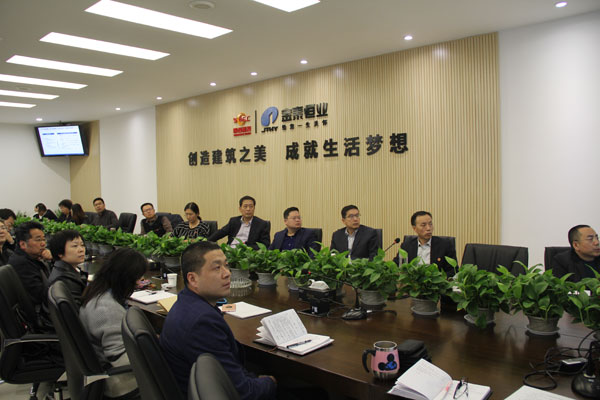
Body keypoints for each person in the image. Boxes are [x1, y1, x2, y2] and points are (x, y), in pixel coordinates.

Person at [160, 241, 277, 399]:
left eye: (226, 265)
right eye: (217, 268)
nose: (227, 273)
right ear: (193, 279)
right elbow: (242, 392)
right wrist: (271, 382)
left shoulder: (186, 302)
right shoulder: (202, 322)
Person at [79, 248, 146, 398]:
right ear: (125, 278)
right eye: (137, 279)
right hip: (120, 382)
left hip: (106, 370)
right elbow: (121, 360)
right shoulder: (106, 309)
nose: (139, 283)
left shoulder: (97, 291)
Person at [8, 220, 53, 327]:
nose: (43, 243)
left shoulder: (30, 258)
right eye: (38, 240)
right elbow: (43, 296)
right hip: (40, 320)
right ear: (23, 244)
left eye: (43, 239)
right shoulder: (22, 264)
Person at [394, 211, 457, 277]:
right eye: (423, 225)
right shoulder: (407, 245)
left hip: (436, 282)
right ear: (414, 228)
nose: (428, 228)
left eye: (430, 224)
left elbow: (453, 271)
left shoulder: (445, 245)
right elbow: (397, 265)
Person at [47, 230, 87, 306]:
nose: (81, 250)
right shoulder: (65, 279)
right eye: (75, 246)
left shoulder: (60, 269)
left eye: (82, 245)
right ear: (60, 252)